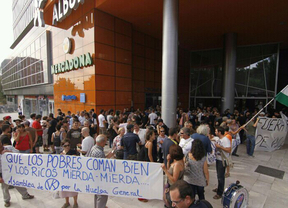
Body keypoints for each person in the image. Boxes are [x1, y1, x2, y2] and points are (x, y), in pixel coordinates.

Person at [0, 141, 34, 207]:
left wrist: (9, 153)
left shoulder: (9, 148)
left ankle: (25, 195)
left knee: (19, 183)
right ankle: (6, 200)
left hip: (13, 170)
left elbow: (18, 153)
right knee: (5, 188)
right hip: (3, 173)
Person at [88, 135, 114, 208]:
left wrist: (107, 157)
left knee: (97, 194)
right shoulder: (99, 152)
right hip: (100, 177)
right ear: (102, 142)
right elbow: (103, 166)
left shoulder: (94, 148)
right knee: (102, 196)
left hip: (95, 176)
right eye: (105, 141)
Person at [213, 127, 231, 199]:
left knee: (221, 176)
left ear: (220, 132)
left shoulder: (225, 140)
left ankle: (220, 193)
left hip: (222, 160)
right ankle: (219, 188)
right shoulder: (219, 139)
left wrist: (219, 147)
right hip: (218, 159)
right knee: (219, 175)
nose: (215, 132)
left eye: (216, 130)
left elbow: (228, 150)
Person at [59, 139, 78, 208]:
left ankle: (75, 203)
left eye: (68, 145)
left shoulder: (73, 152)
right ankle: (67, 202)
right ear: (62, 146)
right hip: (64, 174)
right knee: (65, 189)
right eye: (65, 145)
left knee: (73, 189)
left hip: (72, 174)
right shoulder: (61, 153)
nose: (67, 147)